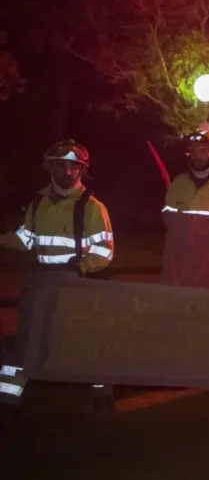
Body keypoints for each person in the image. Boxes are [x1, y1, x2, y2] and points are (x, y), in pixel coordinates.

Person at [0, 140, 115, 416]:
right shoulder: (39, 202)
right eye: (59, 165)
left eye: (72, 166)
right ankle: (7, 401)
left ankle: (102, 398)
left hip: (76, 285)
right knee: (27, 340)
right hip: (41, 284)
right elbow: (26, 239)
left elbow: (104, 252)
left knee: (87, 341)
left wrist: (80, 268)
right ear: (49, 167)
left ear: (81, 171)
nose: (66, 171)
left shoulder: (92, 207)